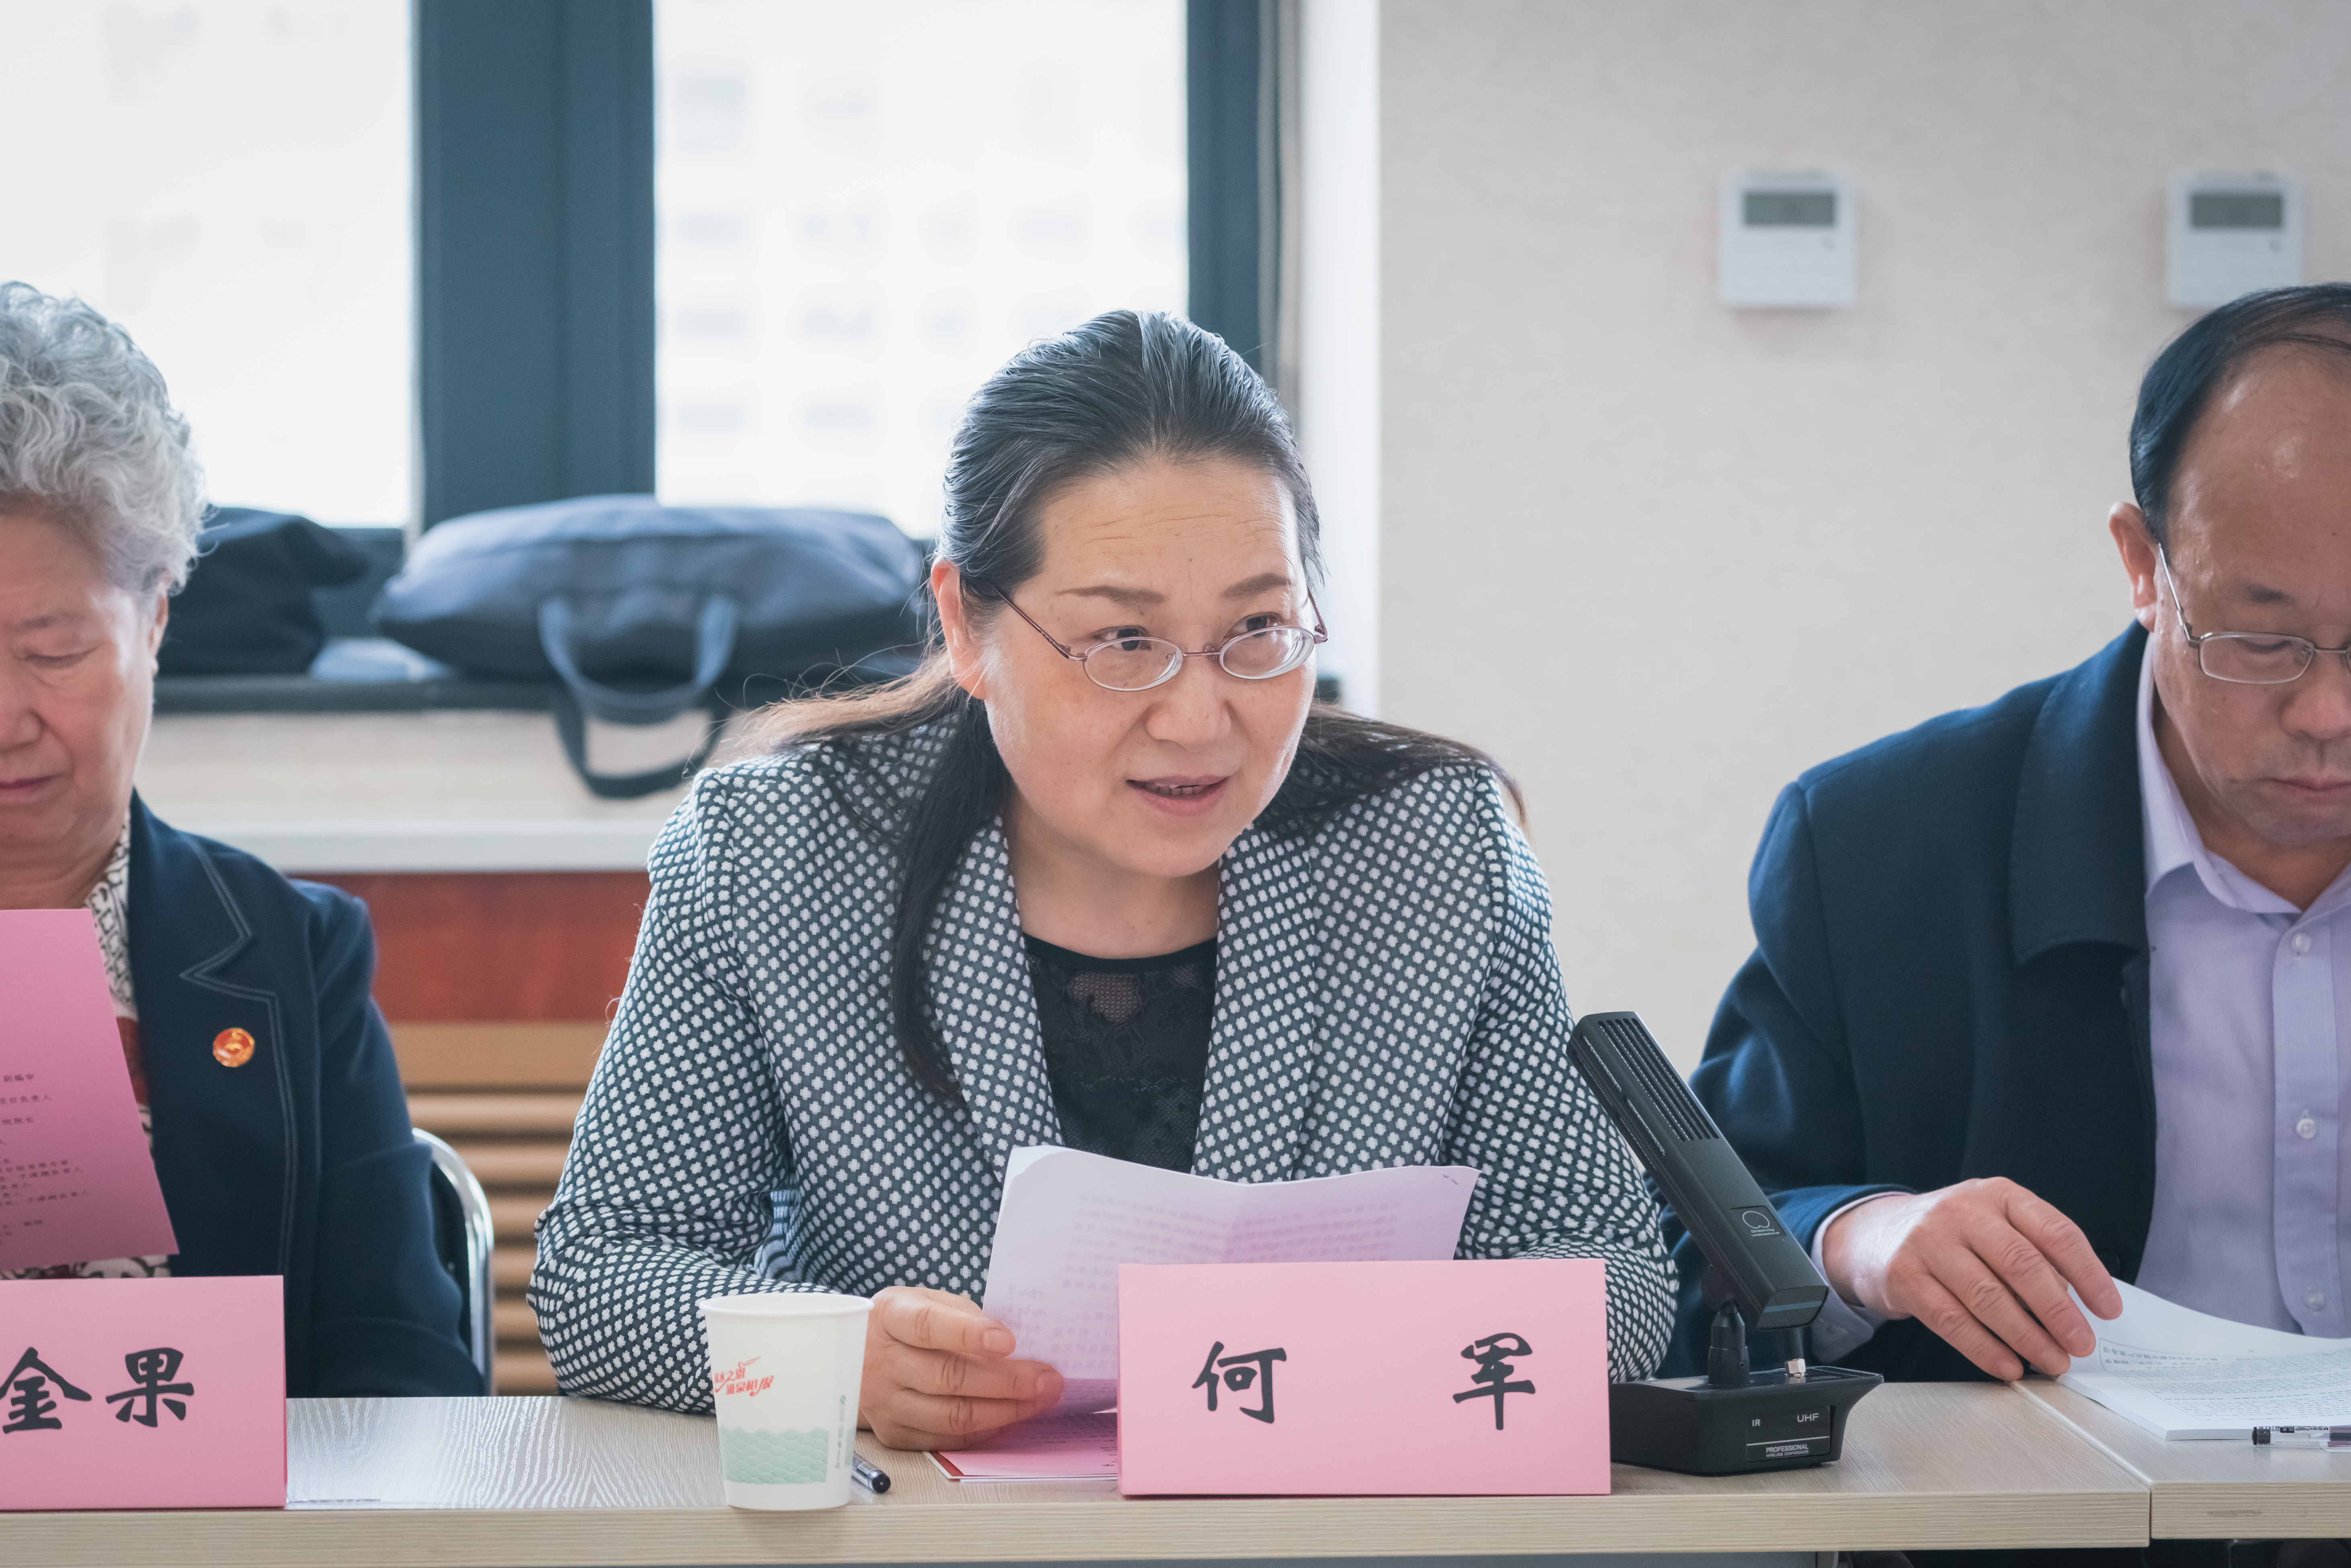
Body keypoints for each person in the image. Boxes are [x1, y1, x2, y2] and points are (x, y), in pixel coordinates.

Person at [532, 310, 1677, 1449]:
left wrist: (1354, 1349)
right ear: (966, 625)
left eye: (1258, 628)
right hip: (934, 1529)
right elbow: (600, 1275)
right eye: (1125, 642)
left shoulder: (1430, 853)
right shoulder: (781, 854)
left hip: (1329, 1519)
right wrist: (836, 1356)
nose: (1198, 720)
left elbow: (1616, 1278)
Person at [1674, 283, 2351, 1389]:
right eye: (2262, 640)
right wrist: (1860, 1239)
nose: (2326, 712)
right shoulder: (1878, 848)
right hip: (2042, 1486)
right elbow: (1687, 1248)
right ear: (2145, 565)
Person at [0, 281, 480, 1396]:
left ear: (156, 619)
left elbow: (400, 1362)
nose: (7, 715)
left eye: (53, 651)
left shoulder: (293, 953)